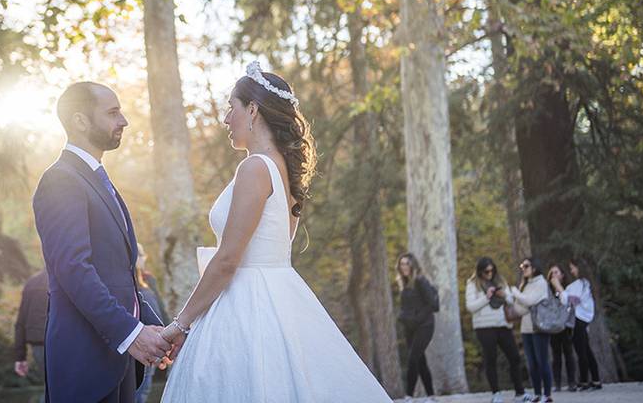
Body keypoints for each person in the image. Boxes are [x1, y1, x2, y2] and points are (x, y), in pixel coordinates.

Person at [159, 62, 392, 402]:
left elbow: (227, 260)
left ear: (252, 109)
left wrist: (179, 324)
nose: (226, 119)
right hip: (279, 296)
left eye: (231, 108)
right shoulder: (283, 170)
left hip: (246, 305)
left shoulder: (254, 168)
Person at [33, 82, 172, 403]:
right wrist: (131, 334)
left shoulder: (96, 178)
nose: (123, 120)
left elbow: (119, 275)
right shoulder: (61, 180)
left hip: (117, 359)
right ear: (80, 121)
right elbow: (73, 270)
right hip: (85, 362)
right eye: (112, 113)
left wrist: (156, 330)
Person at [465, 257, 525, 403]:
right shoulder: (473, 284)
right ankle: (496, 394)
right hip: (484, 327)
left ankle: (520, 393)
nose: (489, 273)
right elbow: (471, 307)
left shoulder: (501, 281)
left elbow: (511, 300)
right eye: (486, 271)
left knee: (514, 357)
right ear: (480, 271)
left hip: (503, 324)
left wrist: (504, 295)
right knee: (490, 359)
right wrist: (487, 297)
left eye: (492, 270)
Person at [510, 258, 553, 403]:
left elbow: (529, 301)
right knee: (532, 364)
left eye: (526, 266)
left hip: (539, 328)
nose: (523, 268)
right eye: (522, 265)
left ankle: (547, 396)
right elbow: (519, 309)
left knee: (542, 362)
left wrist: (515, 292)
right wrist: (520, 289)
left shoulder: (541, 283)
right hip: (526, 329)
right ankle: (537, 394)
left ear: (534, 268)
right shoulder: (526, 284)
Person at [396, 253, 438, 402]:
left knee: (413, 358)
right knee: (420, 360)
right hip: (410, 327)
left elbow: (433, 304)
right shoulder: (404, 283)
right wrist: (402, 316)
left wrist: (417, 318)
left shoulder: (420, 281)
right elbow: (407, 306)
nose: (404, 267)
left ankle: (409, 396)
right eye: (402, 264)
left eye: (407, 263)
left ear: (413, 265)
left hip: (425, 326)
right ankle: (431, 395)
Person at [555, 259, 602, 391]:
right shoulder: (582, 284)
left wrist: (558, 286)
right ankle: (596, 379)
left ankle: (584, 381)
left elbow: (572, 300)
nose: (571, 271)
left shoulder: (582, 284)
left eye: (573, 268)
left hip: (581, 318)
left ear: (579, 268)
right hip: (582, 318)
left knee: (581, 350)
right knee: (586, 349)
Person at [135, 244, 169, 403]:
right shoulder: (135, 284)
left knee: (142, 392)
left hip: (154, 339)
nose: (140, 260)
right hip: (139, 343)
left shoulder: (148, 280)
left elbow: (160, 309)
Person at [14, 268, 49, 396]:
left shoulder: (32, 283)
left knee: (51, 386)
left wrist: (20, 357)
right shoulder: (67, 277)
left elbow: (20, 321)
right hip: (60, 342)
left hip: (38, 345)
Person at [546, 265, 577, 392]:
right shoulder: (547, 291)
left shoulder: (568, 289)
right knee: (556, 355)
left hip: (566, 325)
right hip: (553, 326)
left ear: (562, 275)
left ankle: (572, 382)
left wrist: (559, 287)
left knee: (569, 353)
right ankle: (557, 383)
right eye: (551, 273)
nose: (554, 275)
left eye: (556, 272)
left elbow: (568, 302)